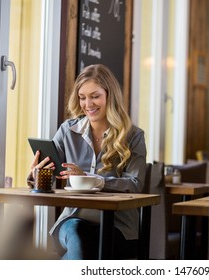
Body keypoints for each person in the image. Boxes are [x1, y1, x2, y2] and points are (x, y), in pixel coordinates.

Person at [28, 64, 147, 259]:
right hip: (74, 219)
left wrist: (90, 179)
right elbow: (49, 178)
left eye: (95, 96)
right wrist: (37, 174)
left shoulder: (133, 136)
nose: (87, 104)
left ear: (110, 95)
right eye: (82, 97)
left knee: (86, 249)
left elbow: (134, 185)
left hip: (118, 225)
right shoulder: (68, 131)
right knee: (78, 235)